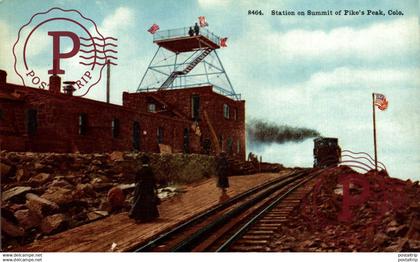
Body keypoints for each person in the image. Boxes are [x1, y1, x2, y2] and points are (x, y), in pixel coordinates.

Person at [129, 155, 160, 222]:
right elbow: (153, 180)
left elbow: (136, 181)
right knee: (149, 202)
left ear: (141, 162)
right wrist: (156, 188)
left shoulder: (139, 170)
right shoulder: (150, 170)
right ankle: (149, 216)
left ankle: (140, 216)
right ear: (148, 162)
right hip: (148, 188)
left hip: (140, 189)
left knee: (140, 202)